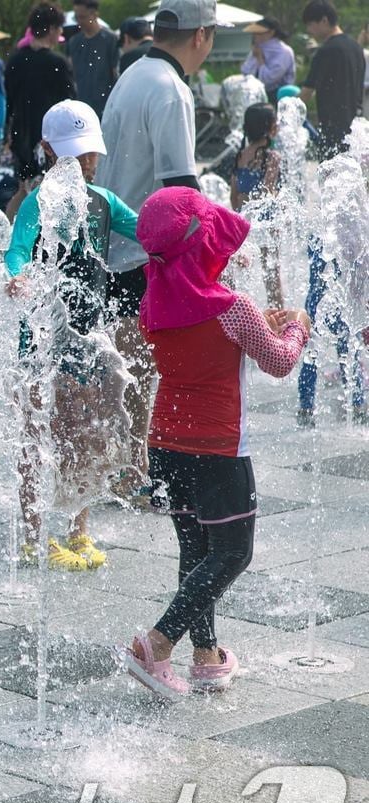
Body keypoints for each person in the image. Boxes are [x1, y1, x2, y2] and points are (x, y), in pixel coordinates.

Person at [123, 187, 311, 698]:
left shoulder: (152, 302)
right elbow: (278, 361)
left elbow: (200, 336)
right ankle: (157, 644)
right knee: (232, 554)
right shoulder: (231, 306)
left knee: (196, 550)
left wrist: (259, 328)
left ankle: (206, 656)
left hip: (165, 442)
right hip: (220, 448)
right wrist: (296, 328)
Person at [5, 100, 140, 570]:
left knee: (87, 431)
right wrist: (18, 277)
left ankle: (79, 530)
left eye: (89, 153)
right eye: (73, 154)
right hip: (42, 339)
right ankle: (31, 533)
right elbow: (17, 252)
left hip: (90, 339)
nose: (84, 163)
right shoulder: (36, 203)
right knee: (40, 433)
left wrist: (196, 238)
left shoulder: (104, 201)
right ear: (47, 150)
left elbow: (148, 230)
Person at [96, 0, 212, 502]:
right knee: (141, 365)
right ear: (202, 35)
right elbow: (181, 187)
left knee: (125, 362)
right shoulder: (171, 89)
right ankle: (131, 472)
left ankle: (124, 465)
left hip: (113, 243)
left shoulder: (134, 73)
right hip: (146, 251)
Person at [4, 4, 75, 223]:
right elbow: (70, 104)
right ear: (52, 28)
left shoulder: (15, 60)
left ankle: (7, 234)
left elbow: (9, 101)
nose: (61, 34)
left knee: (24, 188)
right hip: (50, 136)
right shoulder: (58, 63)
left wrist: (7, 135)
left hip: (21, 133)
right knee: (50, 191)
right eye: (60, 29)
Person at [229, 104, 284, 309]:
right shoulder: (272, 156)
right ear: (269, 126)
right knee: (272, 275)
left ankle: (244, 315)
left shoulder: (240, 155)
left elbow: (234, 197)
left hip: (244, 223)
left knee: (243, 273)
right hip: (267, 222)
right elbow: (268, 192)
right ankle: (279, 322)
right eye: (275, 121)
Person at [301, 0, 365, 156]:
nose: (309, 30)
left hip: (332, 129)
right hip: (356, 129)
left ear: (324, 20)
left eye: (310, 24)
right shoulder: (356, 48)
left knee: (330, 176)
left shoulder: (325, 51)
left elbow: (306, 93)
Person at [67, 0, 120, 115]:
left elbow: (115, 73)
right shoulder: (74, 42)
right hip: (81, 108)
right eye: (76, 17)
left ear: (95, 14)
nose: (79, 21)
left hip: (105, 107)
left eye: (82, 17)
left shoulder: (110, 39)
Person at [241, 18, 296, 96]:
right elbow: (245, 71)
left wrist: (260, 59)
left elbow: (268, 79)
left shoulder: (284, 51)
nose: (255, 36)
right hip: (255, 92)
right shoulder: (258, 48)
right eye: (254, 33)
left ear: (271, 32)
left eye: (259, 33)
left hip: (279, 94)